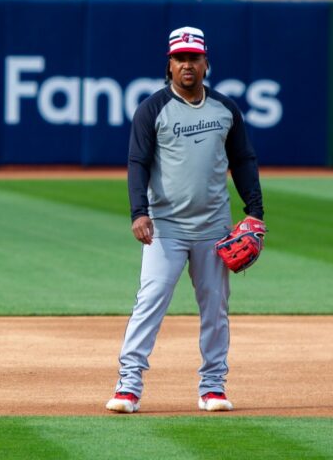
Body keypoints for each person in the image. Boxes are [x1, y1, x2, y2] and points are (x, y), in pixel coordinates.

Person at [105, 26, 264, 414]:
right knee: (151, 302)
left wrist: (255, 211)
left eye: (194, 57)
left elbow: (243, 160)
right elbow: (137, 163)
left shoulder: (225, 109)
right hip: (166, 228)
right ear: (170, 65)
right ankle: (129, 385)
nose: (187, 64)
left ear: (206, 62)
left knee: (215, 308)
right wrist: (138, 213)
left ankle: (212, 387)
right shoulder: (152, 109)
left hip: (214, 227)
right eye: (180, 58)